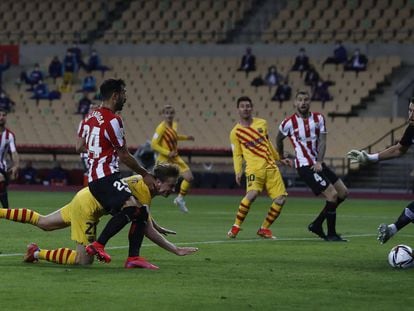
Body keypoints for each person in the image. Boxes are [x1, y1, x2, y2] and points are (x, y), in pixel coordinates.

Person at [0, 164, 198, 268]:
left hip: (86, 196)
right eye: (170, 185)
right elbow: (145, 226)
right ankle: (35, 253)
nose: (172, 189)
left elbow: (143, 213)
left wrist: (154, 223)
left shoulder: (142, 185)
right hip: (88, 207)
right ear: (157, 181)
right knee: (83, 260)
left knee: (44, 223)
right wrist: (175, 249)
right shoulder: (144, 189)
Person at [76, 78, 156, 264]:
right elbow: (124, 155)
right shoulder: (114, 120)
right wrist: (145, 173)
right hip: (105, 177)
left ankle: (133, 258)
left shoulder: (89, 116)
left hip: (95, 177)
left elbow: (78, 146)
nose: (125, 98)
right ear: (115, 95)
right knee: (131, 208)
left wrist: (97, 152)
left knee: (141, 212)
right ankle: (99, 245)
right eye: (124, 93)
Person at [276, 90, 348, 242]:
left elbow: (322, 141)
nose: (303, 103)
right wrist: (281, 156)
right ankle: (331, 234)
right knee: (332, 195)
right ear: (295, 103)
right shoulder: (288, 123)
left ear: (310, 102)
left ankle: (317, 224)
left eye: (306, 100)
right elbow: (278, 139)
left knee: (342, 193)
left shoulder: (319, 118)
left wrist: (319, 161)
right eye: (300, 100)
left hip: (318, 164)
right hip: (305, 167)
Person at [347, 97, 414, 244]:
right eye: (410, 110)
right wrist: (370, 158)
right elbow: (398, 149)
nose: (411, 115)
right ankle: (392, 229)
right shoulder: (412, 129)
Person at [228, 96, 288, 239]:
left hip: (271, 167)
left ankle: (264, 229)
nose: (246, 108)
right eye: (242, 106)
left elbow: (268, 143)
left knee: (281, 199)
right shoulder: (235, 132)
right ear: (238, 109)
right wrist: (238, 171)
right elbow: (237, 154)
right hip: (254, 169)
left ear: (252, 107)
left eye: (248, 106)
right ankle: (235, 227)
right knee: (253, 194)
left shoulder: (262, 123)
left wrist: (279, 158)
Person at [151, 105, 194, 213]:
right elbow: (154, 144)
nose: (169, 115)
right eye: (167, 113)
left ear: (173, 114)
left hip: (175, 157)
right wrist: (167, 152)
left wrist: (186, 138)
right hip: (164, 158)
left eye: (171, 113)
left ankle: (179, 199)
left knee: (189, 178)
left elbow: (174, 136)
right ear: (163, 115)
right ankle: (145, 202)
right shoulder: (161, 127)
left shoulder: (174, 125)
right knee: (155, 185)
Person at [0, 108, 19, 208]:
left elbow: (14, 152)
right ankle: (7, 210)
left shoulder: (9, 136)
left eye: (3, 115)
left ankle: (6, 210)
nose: (1, 117)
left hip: (2, 166)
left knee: (1, 180)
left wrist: (16, 166)